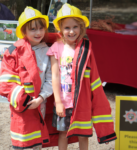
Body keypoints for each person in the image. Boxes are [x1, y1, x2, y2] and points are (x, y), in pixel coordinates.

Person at [46, 3, 117, 150]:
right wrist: (58, 102)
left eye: (75, 27)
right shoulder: (56, 48)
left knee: (83, 135)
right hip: (63, 103)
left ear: (81, 28)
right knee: (63, 133)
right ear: (59, 28)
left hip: (82, 103)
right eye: (67, 28)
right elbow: (54, 76)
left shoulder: (86, 48)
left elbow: (93, 78)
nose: (71, 31)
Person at [0, 6, 53, 150]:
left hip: (40, 104)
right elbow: (3, 81)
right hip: (21, 107)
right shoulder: (14, 52)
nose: (38, 33)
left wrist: (40, 98)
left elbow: (50, 79)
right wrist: (23, 99)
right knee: (22, 141)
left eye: (40, 28)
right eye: (33, 29)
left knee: (37, 142)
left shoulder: (48, 51)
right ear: (24, 31)